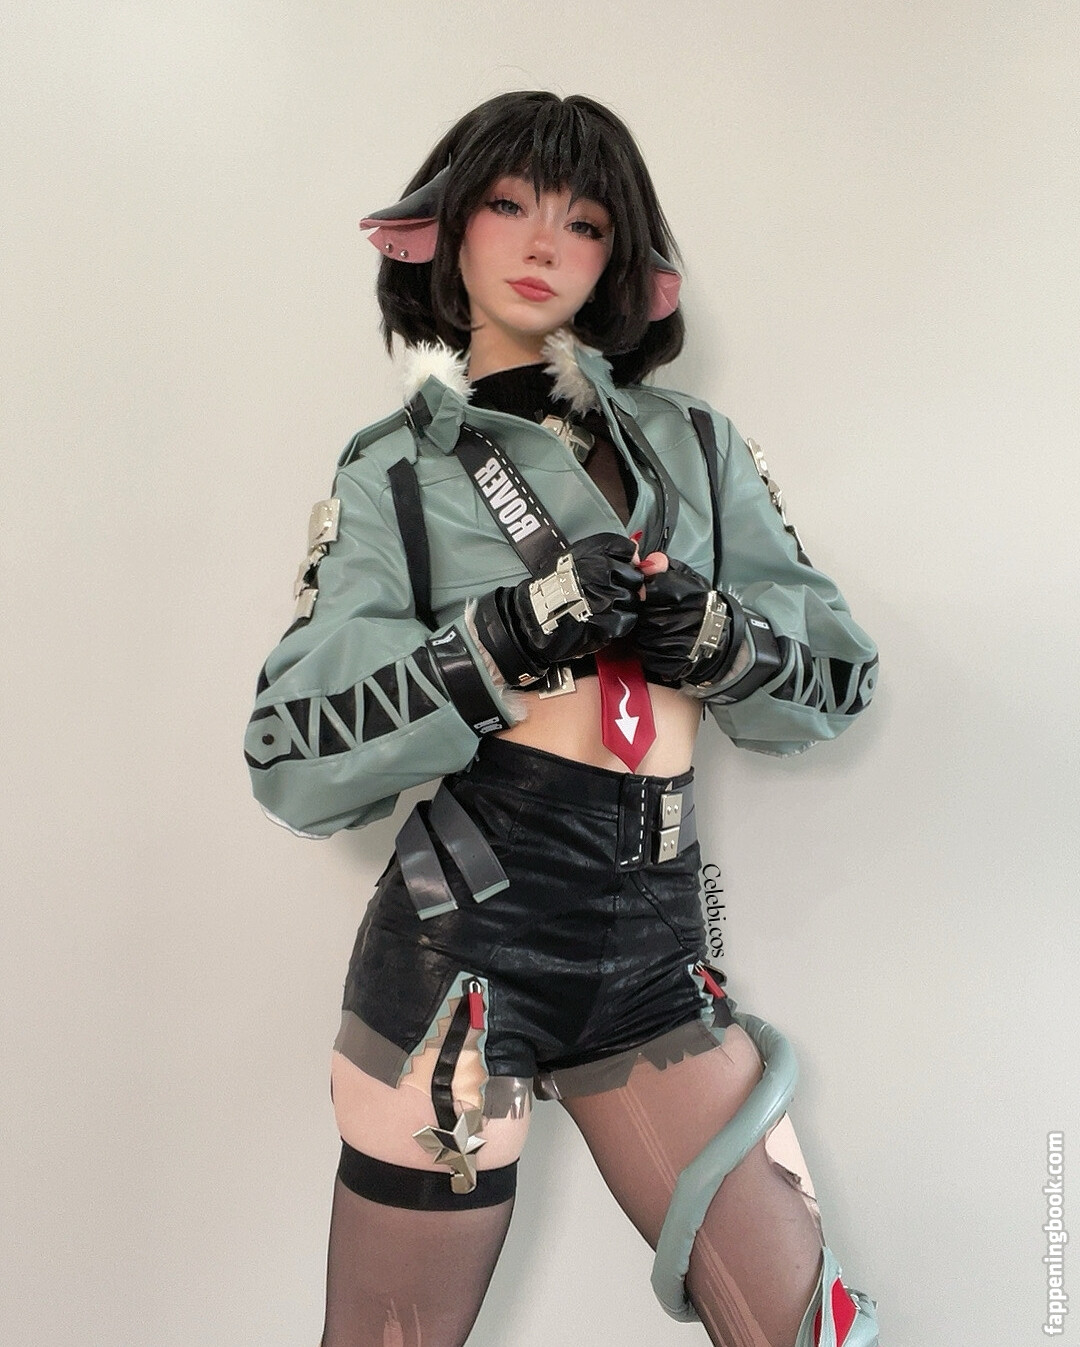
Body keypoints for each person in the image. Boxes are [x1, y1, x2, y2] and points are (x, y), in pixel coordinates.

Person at [245, 91, 881, 1347]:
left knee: (815, 1330)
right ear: (438, 232)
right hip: (460, 944)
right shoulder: (394, 469)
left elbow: (838, 682)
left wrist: (724, 641)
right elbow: (293, 757)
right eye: (507, 204)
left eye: (584, 221)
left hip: (656, 940)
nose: (544, 242)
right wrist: (497, 644)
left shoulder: (700, 449)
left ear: (623, 261)